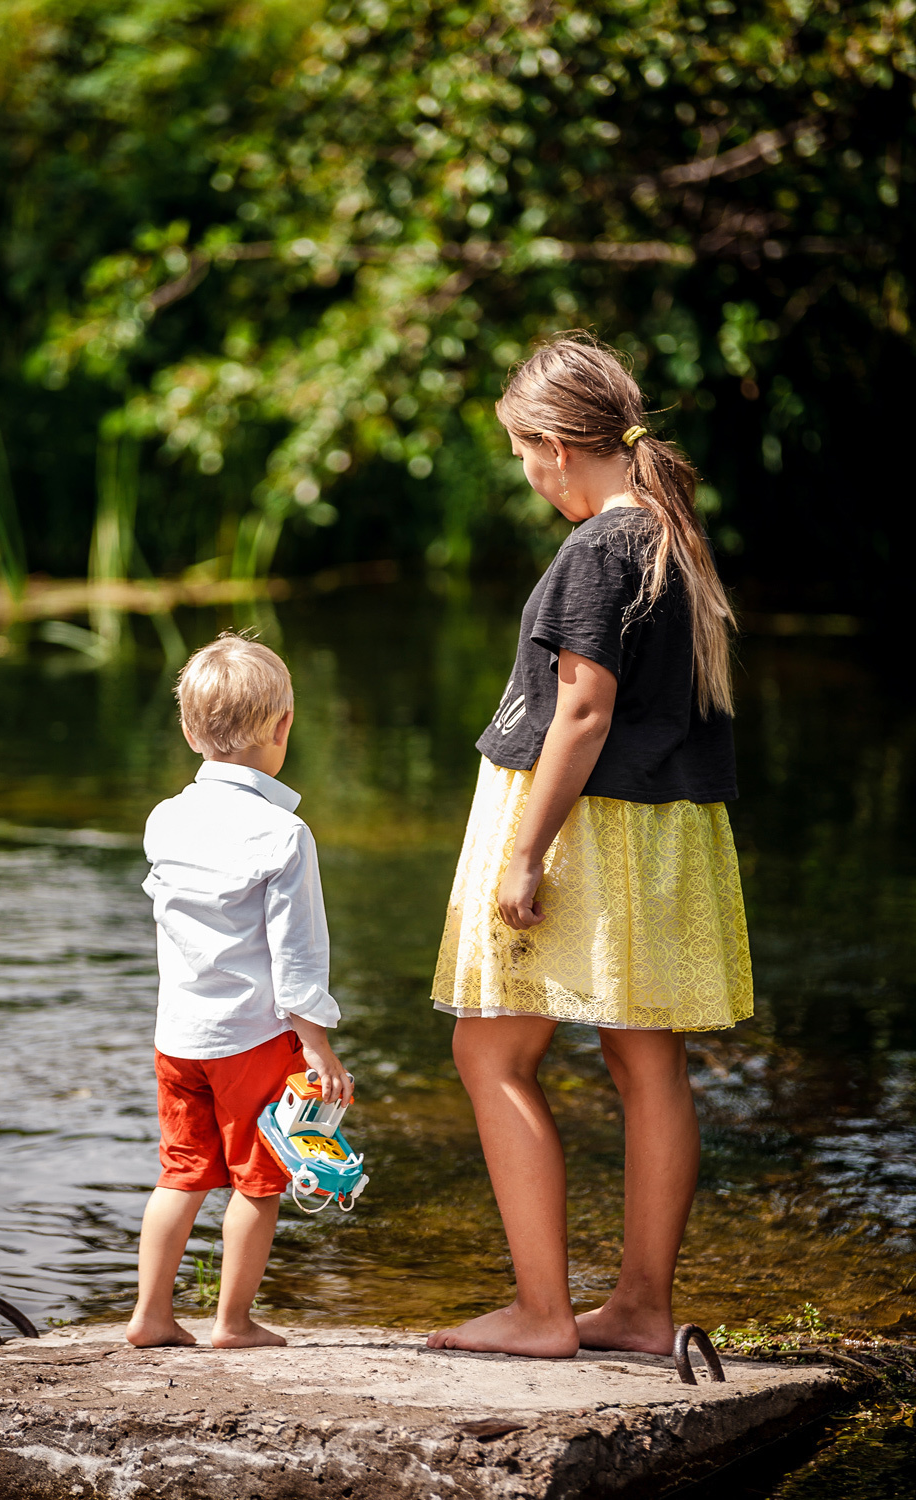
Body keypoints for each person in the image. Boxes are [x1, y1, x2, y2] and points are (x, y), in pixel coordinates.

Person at [427, 334, 753, 1359]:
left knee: (490, 1049)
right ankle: (643, 1309)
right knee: (645, 1056)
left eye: (521, 456)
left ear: (555, 447)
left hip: (587, 829)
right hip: (664, 826)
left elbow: (581, 710)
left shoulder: (594, 548)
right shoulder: (668, 536)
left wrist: (525, 853)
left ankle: (541, 1313)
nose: (525, 478)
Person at [126, 632, 351, 1350]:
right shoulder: (284, 836)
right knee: (259, 1181)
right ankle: (232, 1322)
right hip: (254, 1038)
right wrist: (317, 1044)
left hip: (177, 1040)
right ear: (284, 728)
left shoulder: (165, 820)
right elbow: (297, 955)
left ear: (190, 731)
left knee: (182, 1175)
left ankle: (151, 1316)